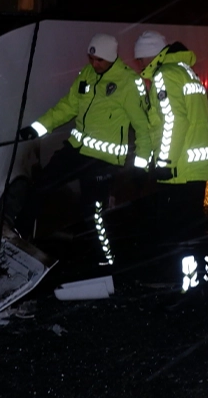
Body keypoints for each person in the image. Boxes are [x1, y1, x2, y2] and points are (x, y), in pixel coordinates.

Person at [17, 33, 151, 267]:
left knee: (93, 212)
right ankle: (19, 239)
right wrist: (37, 129)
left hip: (104, 159)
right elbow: (67, 107)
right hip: (76, 150)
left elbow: (143, 127)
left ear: (111, 58)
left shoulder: (128, 82)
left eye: (99, 60)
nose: (94, 64)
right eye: (91, 59)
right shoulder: (87, 75)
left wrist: (141, 164)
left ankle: (105, 262)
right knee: (40, 187)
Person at [132, 31, 208, 293]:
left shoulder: (164, 74)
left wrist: (165, 162)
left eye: (139, 59)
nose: (138, 65)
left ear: (149, 55)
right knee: (192, 229)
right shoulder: (185, 71)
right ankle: (197, 282)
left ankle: (179, 285)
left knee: (175, 231)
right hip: (194, 166)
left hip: (179, 169)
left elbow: (173, 120)